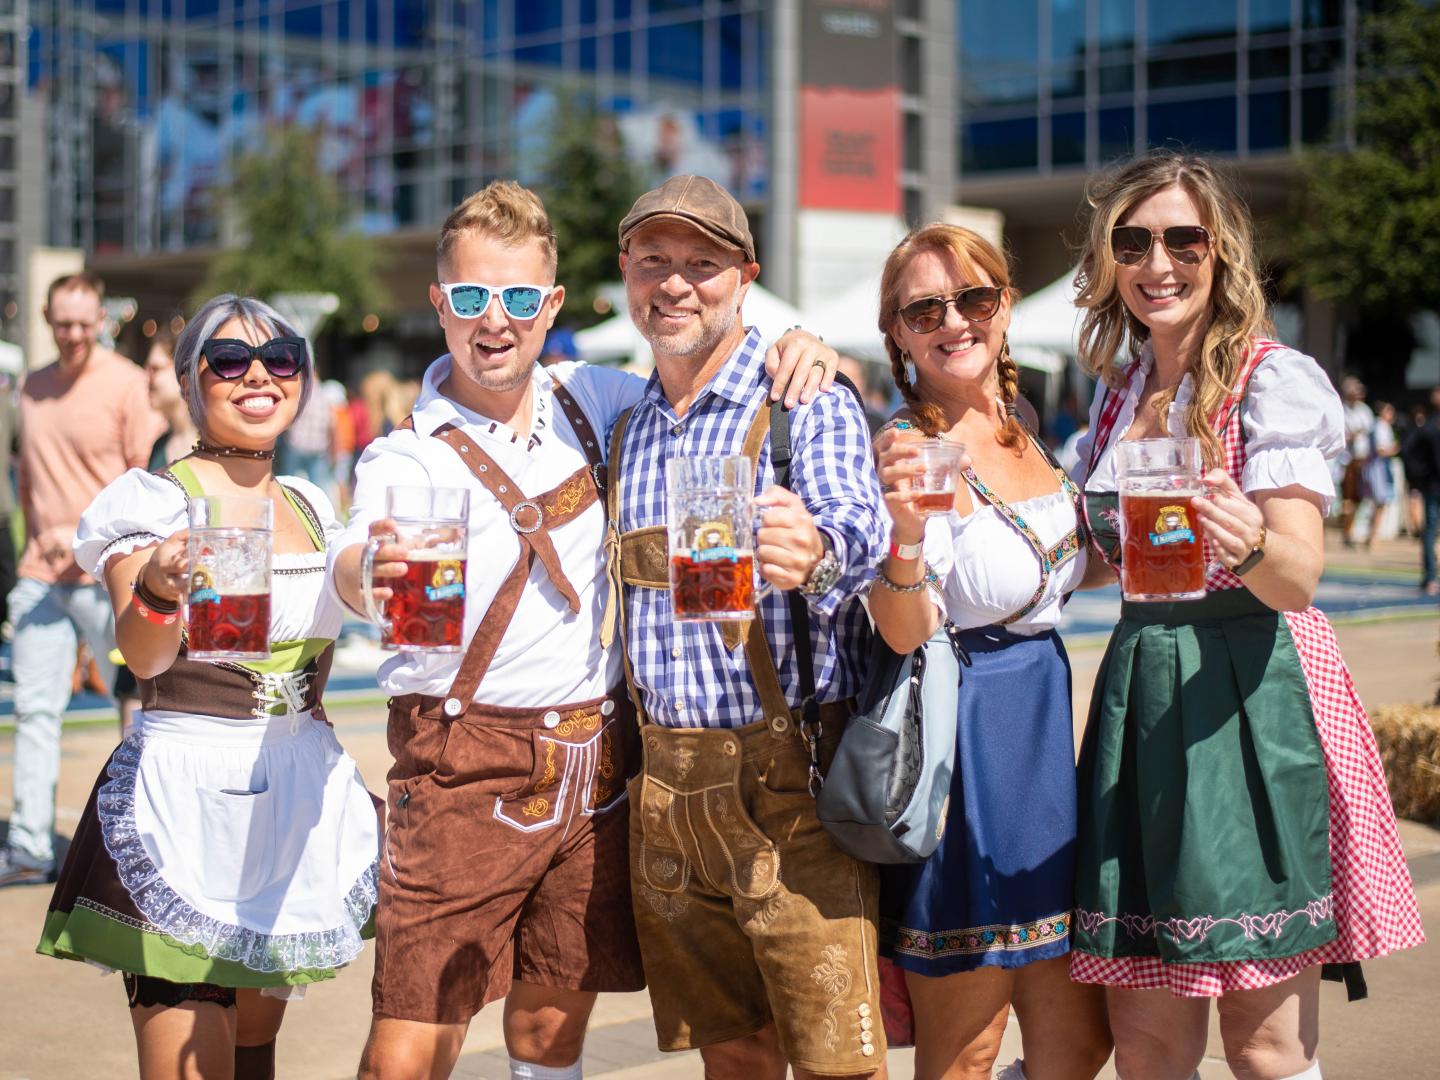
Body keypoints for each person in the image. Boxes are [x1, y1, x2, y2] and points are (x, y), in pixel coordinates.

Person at [327, 180, 838, 1080]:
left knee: (550, 1029)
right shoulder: (401, 454)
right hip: (459, 765)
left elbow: (707, 364)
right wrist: (365, 573)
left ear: (551, 305)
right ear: (440, 303)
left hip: (597, 761)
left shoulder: (592, 397)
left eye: (520, 297)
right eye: (474, 297)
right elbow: (357, 555)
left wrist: (799, 347)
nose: (497, 320)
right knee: (408, 1047)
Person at [1068, 151, 1423, 1079]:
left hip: (1251, 692)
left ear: (1221, 251)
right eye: (1133, 241)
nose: (1158, 263)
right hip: (1142, 695)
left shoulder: (1272, 380)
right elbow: (1102, 562)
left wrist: (1249, 541)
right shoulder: (1114, 398)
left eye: (1184, 239)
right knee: (1148, 1042)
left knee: (1263, 1045)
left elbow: (1299, 576)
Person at [35, 294, 380, 1080]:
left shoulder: (312, 503)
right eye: (229, 360)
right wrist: (158, 585)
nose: (258, 375)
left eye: (280, 356)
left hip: (295, 787)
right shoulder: (154, 501)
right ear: (193, 384)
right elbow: (144, 656)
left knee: (254, 1051)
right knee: (193, 1066)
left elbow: (358, 594)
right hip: (184, 795)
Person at [606, 174, 888, 1079]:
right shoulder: (623, 423)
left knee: (836, 1061)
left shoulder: (802, 399)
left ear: (746, 277)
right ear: (626, 272)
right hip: (668, 782)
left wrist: (819, 548)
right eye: (655, 261)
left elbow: (862, 530)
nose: (677, 283)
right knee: (733, 1060)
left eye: (703, 263)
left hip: (788, 780)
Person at [865, 223, 1111, 1080]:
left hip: (1044, 736)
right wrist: (900, 538)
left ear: (1003, 304)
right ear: (898, 332)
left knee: (1080, 1043)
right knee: (965, 1052)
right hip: (967, 746)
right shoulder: (907, 448)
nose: (953, 320)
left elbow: (1053, 569)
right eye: (925, 307)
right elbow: (902, 628)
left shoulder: (1025, 426)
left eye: (973, 297)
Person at [0, 272, 165, 888]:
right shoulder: (33, 388)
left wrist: (86, 537)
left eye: (82, 322)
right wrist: (32, 541)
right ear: (47, 319)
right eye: (61, 322)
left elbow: (143, 479)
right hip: (40, 575)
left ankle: (147, 845)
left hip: (108, 576)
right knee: (36, 712)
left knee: (144, 710)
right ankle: (28, 847)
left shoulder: (126, 384)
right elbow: (25, 477)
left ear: (101, 320)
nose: (72, 334)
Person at [1402, 388, 1440, 595]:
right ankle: (1430, 577)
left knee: (1430, 530)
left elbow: (1408, 450)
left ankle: (1430, 577)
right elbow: (1409, 450)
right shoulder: (1428, 427)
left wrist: (1419, 474)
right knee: (1430, 530)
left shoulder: (1427, 426)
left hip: (1432, 483)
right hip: (1433, 484)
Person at [1338, 376, 1374, 544]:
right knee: (1347, 498)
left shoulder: (1364, 411)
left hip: (1363, 461)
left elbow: (1369, 434)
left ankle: (1353, 530)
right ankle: (1346, 531)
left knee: (1362, 498)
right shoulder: (1341, 410)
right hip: (1346, 461)